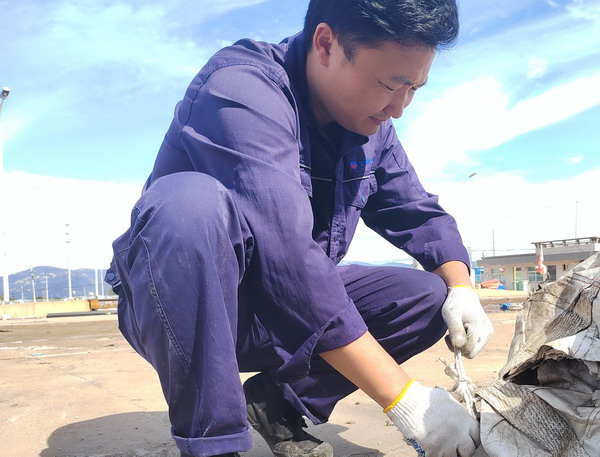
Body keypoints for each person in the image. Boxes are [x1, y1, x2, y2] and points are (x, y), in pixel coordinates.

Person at [106, 1, 494, 456]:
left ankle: (277, 403)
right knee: (189, 206)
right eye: (391, 84)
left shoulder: (372, 129)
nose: (399, 107)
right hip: (192, 309)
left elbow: (418, 213)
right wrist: (403, 399)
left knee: (426, 296)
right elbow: (286, 254)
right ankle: (214, 443)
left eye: (414, 88)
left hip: (286, 312)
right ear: (326, 44)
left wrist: (462, 288)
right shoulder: (240, 88)